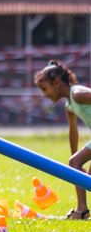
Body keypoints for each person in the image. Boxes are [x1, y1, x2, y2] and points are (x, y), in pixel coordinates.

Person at [34, 60, 91, 220]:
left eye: (45, 89)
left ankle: (81, 210)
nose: (44, 95)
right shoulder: (69, 105)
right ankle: (83, 211)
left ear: (57, 82)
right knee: (82, 171)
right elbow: (73, 133)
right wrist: (75, 165)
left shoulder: (77, 94)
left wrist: (75, 162)